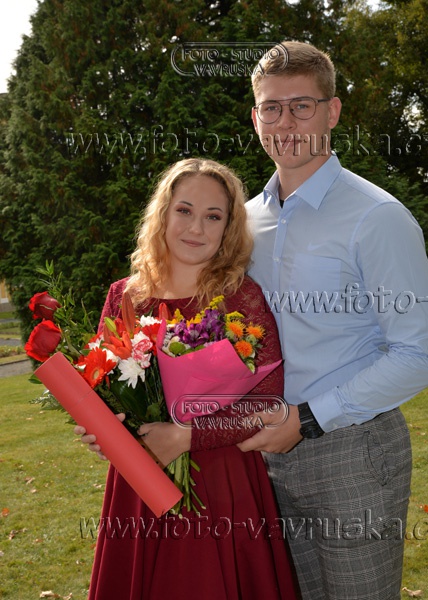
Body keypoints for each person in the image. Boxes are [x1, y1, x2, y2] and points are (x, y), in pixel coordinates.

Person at [238, 40, 428, 600]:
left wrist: (310, 418)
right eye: (272, 108)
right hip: (261, 454)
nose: (286, 122)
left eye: (302, 106)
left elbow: (417, 353)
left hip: (354, 452)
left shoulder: (378, 217)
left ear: (333, 112)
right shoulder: (243, 223)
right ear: (255, 117)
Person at [75, 158, 299, 600]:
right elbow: (102, 387)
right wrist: (103, 431)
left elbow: (267, 402)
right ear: (163, 213)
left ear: (228, 228)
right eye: (184, 210)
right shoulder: (124, 296)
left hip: (222, 482)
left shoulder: (241, 297)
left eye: (213, 216)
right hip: (140, 481)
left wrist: (187, 436)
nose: (196, 227)